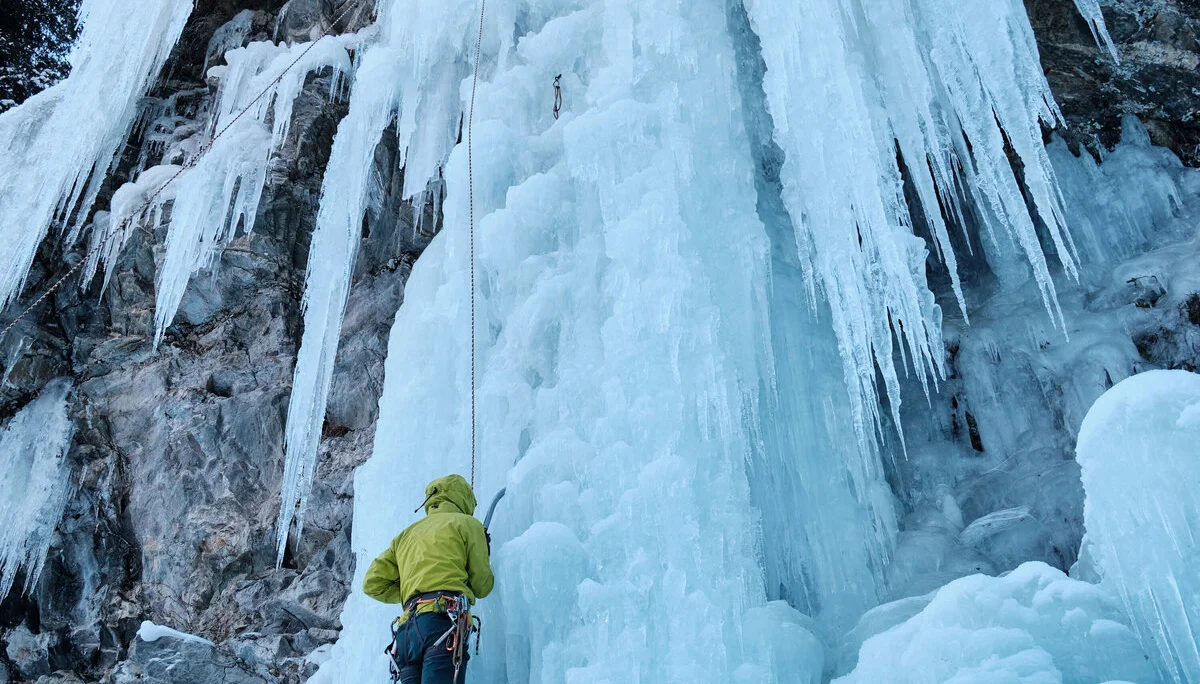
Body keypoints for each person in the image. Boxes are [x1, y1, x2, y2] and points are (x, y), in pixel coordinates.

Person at [363, 474, 495, 684]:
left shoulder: (405, 535)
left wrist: (416, 588)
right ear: (464, 499)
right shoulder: (468, 524)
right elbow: (482, 586)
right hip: (441, 624)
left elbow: (372, 584)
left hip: (407, 635)